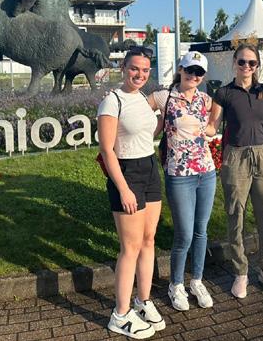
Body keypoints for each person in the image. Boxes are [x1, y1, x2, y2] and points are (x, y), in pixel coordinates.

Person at [97, 46, 165, 339]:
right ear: (123, 68)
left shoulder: (141, 98)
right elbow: (107, 150)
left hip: (149, 168)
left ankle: (143, 301)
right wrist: (123, 189)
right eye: (134, 68)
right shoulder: (112, 101)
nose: (140, 74)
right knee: (131, 247)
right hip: (127, 173)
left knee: (149, 240)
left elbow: (146, 133)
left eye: (145, 70)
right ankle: (120, 315)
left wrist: (164, 117)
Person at [208, 43, 263, 298]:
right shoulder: (224, 93)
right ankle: (240, 271)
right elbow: (213, 125)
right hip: (236, 155)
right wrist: (189, 125)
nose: (246, 66)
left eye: (252, 63)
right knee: (235, 214)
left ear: (257, 65)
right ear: (234, 63)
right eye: (242, 61)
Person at [147, 51, 216, 311]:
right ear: (180, 69)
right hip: (179, 174)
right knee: (184, 233)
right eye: (189, 70)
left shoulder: (205, 99)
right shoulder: (164, 97)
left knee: (201, 231)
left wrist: (212, 127)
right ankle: (176, 284)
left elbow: (215, 118)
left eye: (199, 72)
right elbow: (137, 110)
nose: (193, 76)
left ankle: (196, 280)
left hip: (206, 171)